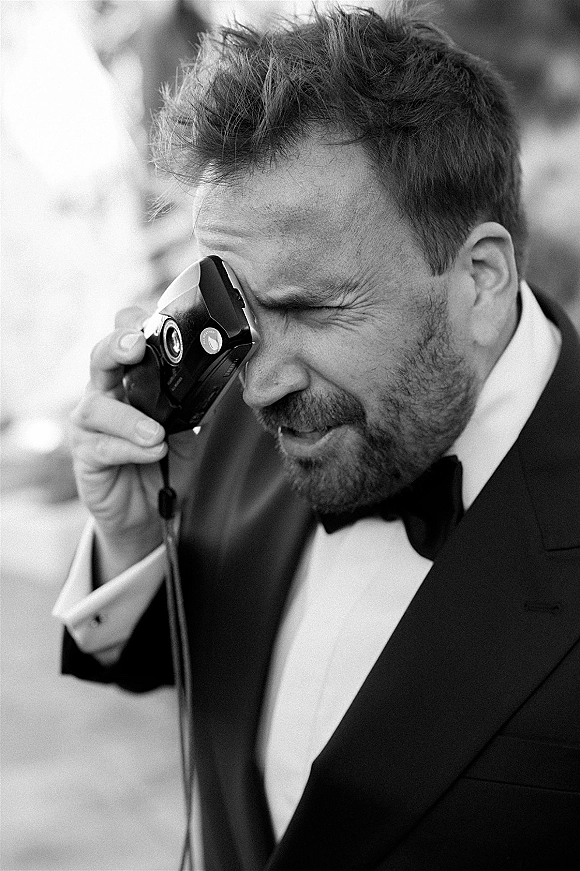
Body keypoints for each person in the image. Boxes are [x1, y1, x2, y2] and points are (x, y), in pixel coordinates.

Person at [53, 7, 580, 870]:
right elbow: (181, 660)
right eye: (241, 308)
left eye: (309, 307)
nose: (258, 386)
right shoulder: (228, 411)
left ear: (480, 280)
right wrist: (131, 535)